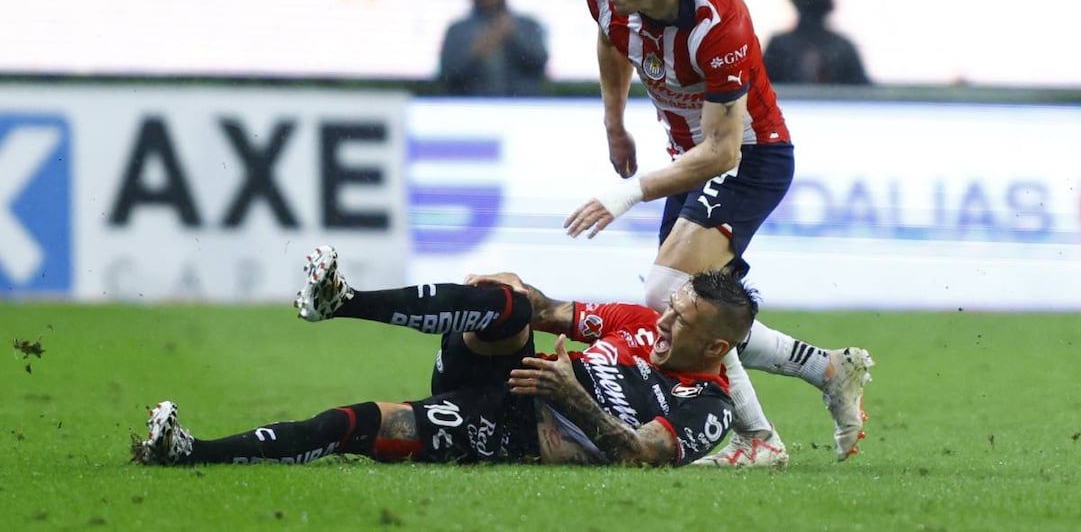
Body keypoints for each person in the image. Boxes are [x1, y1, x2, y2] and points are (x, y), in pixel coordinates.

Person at [564, 0, 874, 467]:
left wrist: (627, 193)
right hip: (689, 158)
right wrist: (614, 122)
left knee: (666, 297)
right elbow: (613, 41)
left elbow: (723, 149)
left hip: (748, 159)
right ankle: (827, 370)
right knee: (683, 309)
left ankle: (759, 440)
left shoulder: (718, 21)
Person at [131, 245, 758, 468]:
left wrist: (569, 396)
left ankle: (190, 451)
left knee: (360, 424)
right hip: (512, 373)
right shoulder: (644, 324)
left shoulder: (707, 406)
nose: (664, 319)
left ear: (718, 348)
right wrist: (498, 289)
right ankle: (341, 300)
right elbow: (547, 309)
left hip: (510, 429)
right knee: (510, 304)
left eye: (682, 319)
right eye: (672, 306)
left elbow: (641, 455)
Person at [437, 0, 549, 96]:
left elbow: (540, 63)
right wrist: (475, 52)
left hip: (520, 106)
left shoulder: (527, 25)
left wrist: (513, 37)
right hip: (472, 107)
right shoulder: (457, 30)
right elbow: (446, 74)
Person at [763, 0, 871, 85]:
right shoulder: (779, 46)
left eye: (815, 11)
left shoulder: (843, 48)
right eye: (808, 10)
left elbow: (862, 92)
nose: (811, 18)